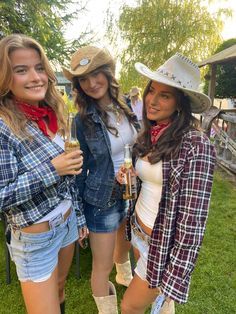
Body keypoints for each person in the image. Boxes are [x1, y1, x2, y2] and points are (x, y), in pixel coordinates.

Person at [117, 53, 216, 314]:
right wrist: (129, 179)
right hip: (139, 229)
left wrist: (177, 274)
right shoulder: (153, 132)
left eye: (165, 95)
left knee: (129, 307)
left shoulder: (196, 144)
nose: (152, 100)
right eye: (152, 91)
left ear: (180, 103)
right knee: (162, 306)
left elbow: (193, 220)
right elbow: (152, 182)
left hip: (163, 244)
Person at [0, 34, 86, 314]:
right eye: (21, 70)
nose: (36, 77)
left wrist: (79, 216)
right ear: (4, 77)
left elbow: (68, 179)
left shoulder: (49, 113)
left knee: (60, 289)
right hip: (35, 237)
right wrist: (52, 169)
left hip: (67, 222)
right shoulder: (3, 125)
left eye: (39, 68)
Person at [63, 46, 140, 314]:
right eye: (83, 79)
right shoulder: (81, 120)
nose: (91, 83)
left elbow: (134, 147)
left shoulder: (125, 105)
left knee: (124, 243)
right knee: (101, 266)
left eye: (96, 74)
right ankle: (107, 310)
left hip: (132, 191)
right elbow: (75, 171)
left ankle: (125, 277)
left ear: (108, 74)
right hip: (101, 200)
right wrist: (80, 215)